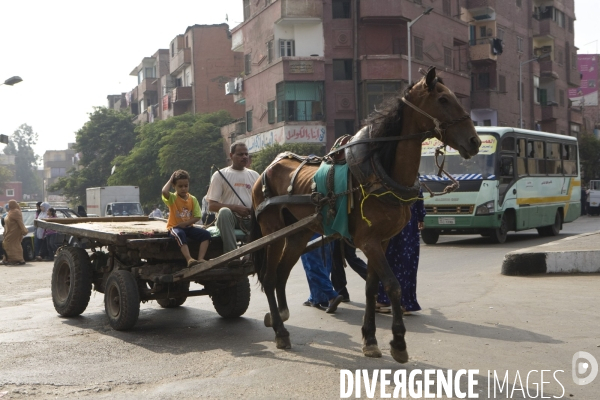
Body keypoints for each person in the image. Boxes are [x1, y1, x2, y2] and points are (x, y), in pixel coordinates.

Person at [376, 190, 426, 315]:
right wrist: (421, 216)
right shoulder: (413, 181)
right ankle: (403, 302)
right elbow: (419, 199)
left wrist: (420, 216)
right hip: (405, 226)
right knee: (402, 262)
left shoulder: (389, 178)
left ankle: (389, 300)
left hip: (395, 224)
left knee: (389, 261)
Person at [206, 142, 259, 257]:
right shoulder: (219, 175)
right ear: (231, 155)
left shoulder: (255, 175)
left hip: (250, 219)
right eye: (240, 154)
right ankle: (232, 256)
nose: (244, 157)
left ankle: (250, 257)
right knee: (224, 212)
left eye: (246, 154)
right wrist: (235, 208)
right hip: (230, 220)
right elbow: (211, 206)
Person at [162, 170, 211, 268]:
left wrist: (185, 224)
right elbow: (164, 191)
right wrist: (171, 178)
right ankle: (189, 259)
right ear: (174, 186)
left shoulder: (192, 199)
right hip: (175, 228)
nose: (183, 188)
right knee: (180, 234)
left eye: (186, 186)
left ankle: (200, 258)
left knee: (206, 234)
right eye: (180, 186)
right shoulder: (172, 198)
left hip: (188, 227)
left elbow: (197, 216)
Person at [301, 233, 344, 313]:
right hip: (328, 232)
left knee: (312, 268)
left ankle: (331, 295)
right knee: (324, 266)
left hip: (310, 233)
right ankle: (317, 298)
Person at [1, 200, 28, 265]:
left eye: (10, 204)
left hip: (15, 231)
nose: (9, 205)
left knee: (8, 243)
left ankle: (18, 259)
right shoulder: (10, 212)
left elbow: (20, 222)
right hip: (9, 231)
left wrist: (24, 230)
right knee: (9, 244)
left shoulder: (16, 212)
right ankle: (8, 259)